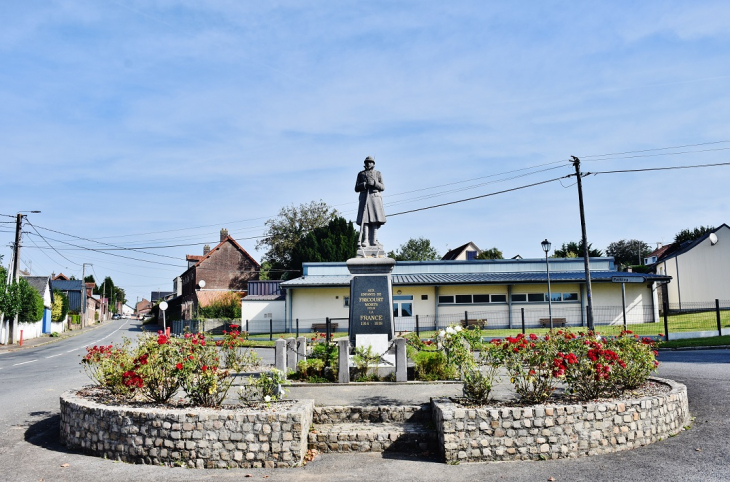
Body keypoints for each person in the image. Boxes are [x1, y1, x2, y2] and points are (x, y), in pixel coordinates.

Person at [355, 156, 386, 248]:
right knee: (365, 219)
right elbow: (356, 188)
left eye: (370, 162)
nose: (368, 163)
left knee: (374, 219)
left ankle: (373, 240)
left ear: (373, 163)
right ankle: (365, 240)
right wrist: (364, 184)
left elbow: (383, 187)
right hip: (364, 197)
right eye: (367, 162)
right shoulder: (361, 174)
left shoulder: (378, 173)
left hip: (374, 198)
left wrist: (375, 183)